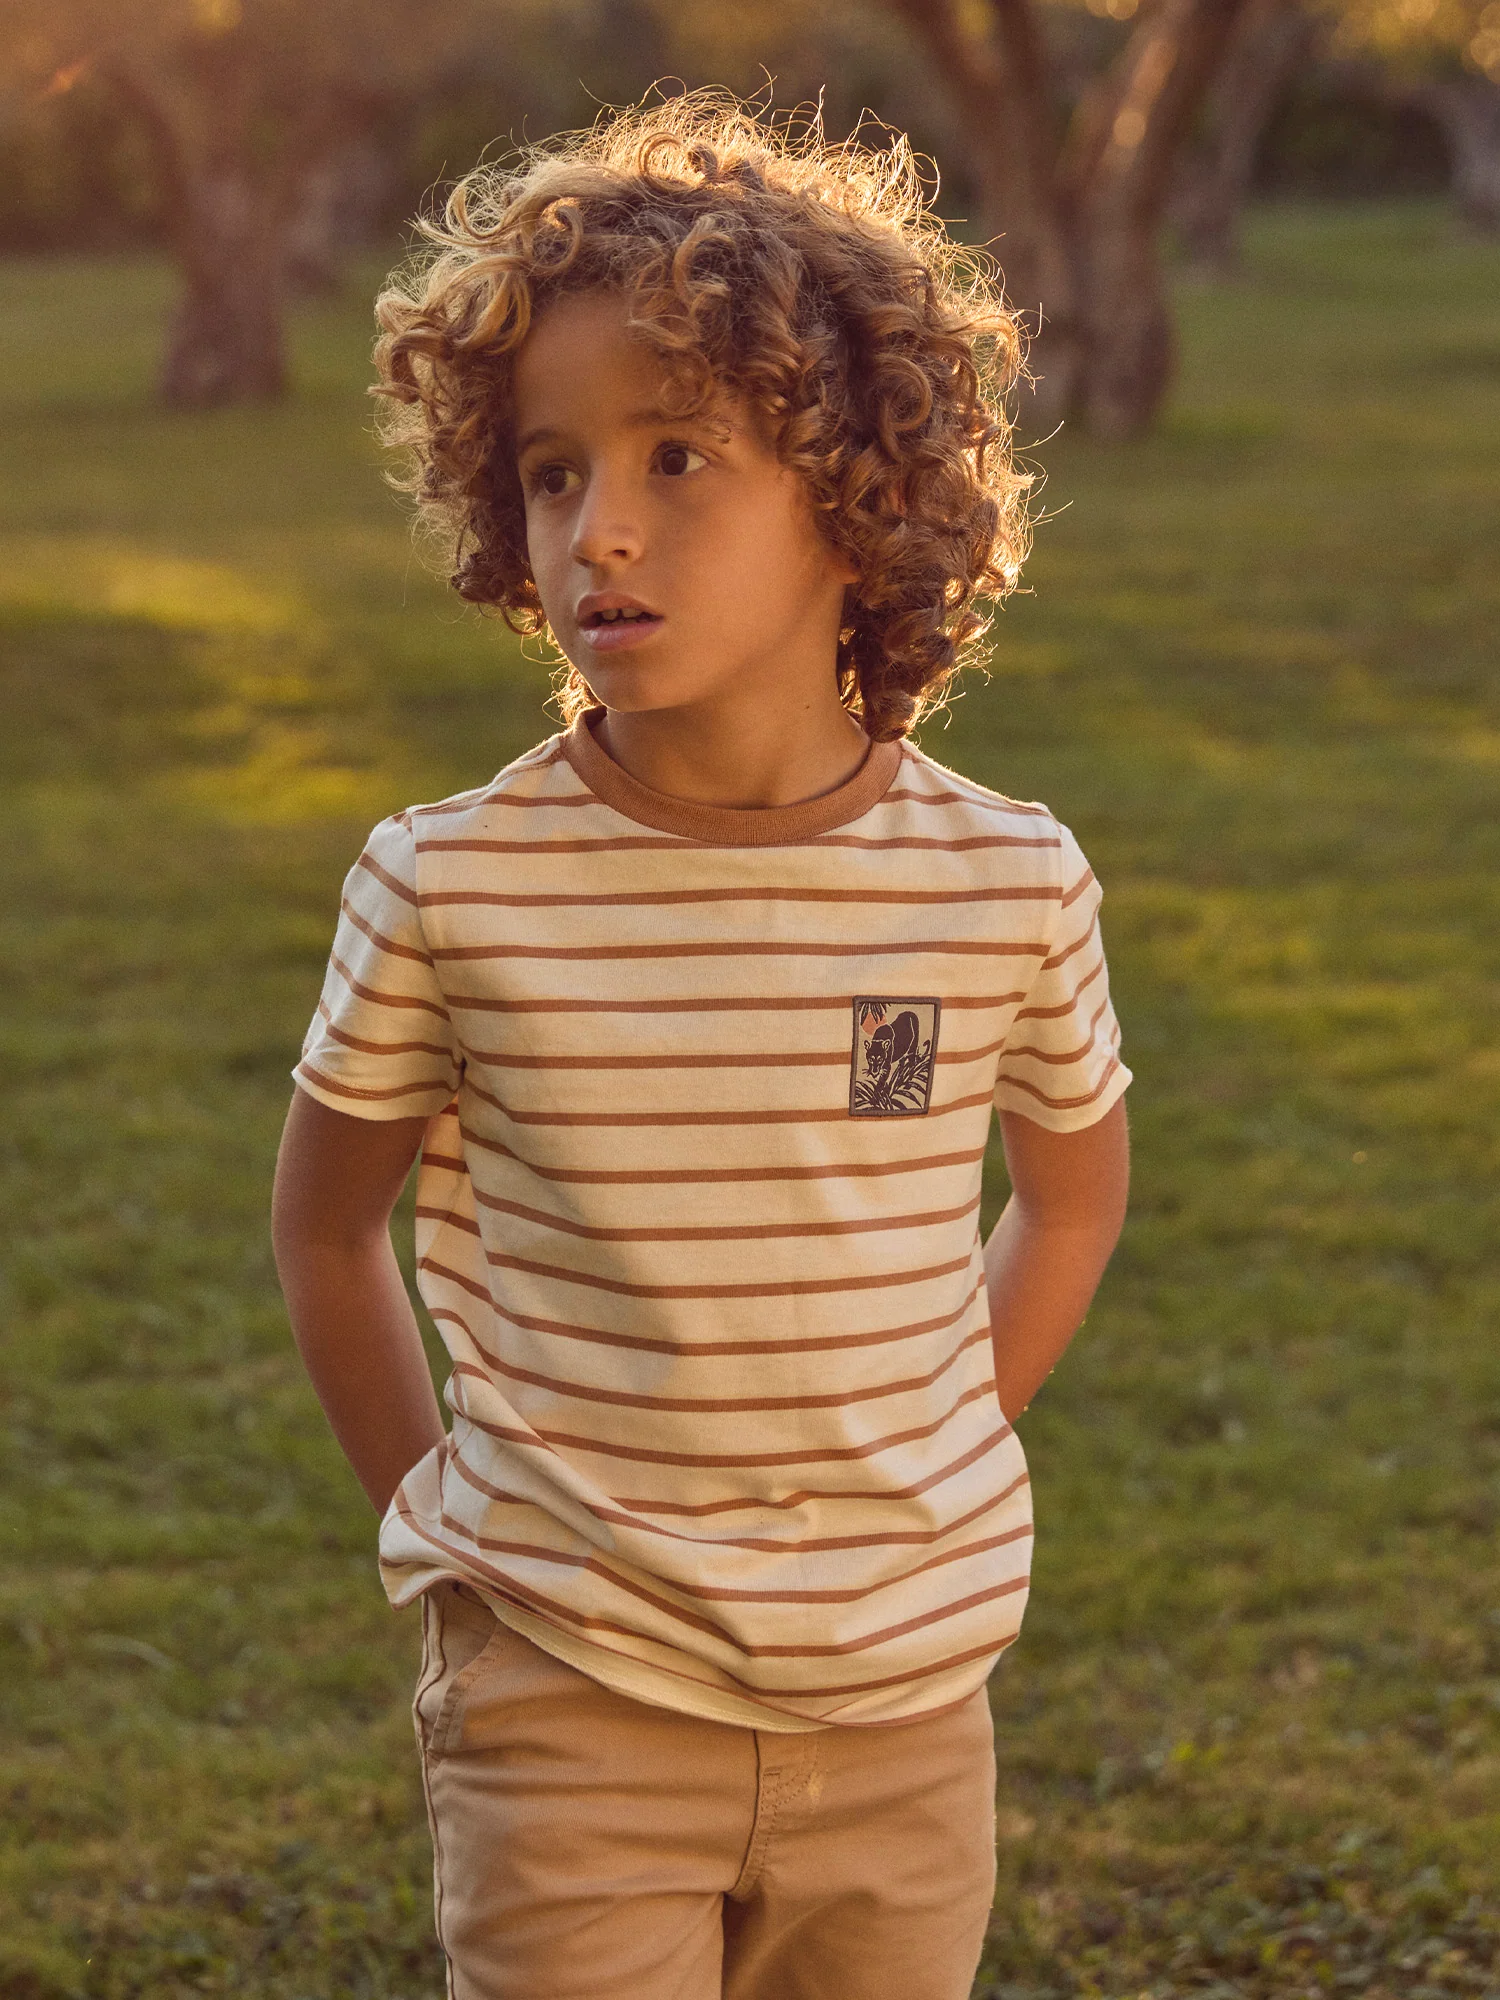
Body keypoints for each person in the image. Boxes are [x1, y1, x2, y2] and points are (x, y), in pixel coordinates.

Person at [271, 89, 1131, 2000]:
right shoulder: (448, 885)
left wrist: (928, 1444)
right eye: (552, 471)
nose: (600, 527)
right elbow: (326, 1231)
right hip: (570, 1700)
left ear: (857, 497)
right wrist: (445, 1524)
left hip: (909, 1713)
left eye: (679, 456)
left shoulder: (1008, 882)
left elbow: (1071, 1199)